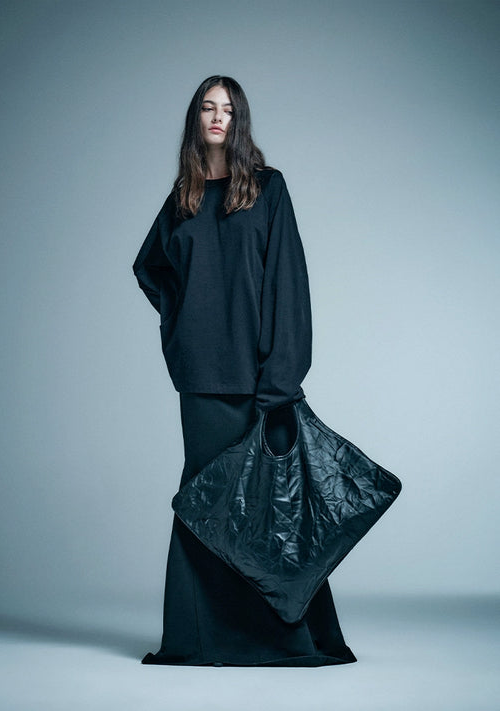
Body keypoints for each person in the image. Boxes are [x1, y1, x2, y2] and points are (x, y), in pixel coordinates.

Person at [132, 75, 357, 667]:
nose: (217, 117)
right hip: (201, 378)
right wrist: (184, 325)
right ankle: (198, 640)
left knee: (270, 511)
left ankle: (287, 639)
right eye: (208, 108)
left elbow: (289, 282)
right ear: (196, 119)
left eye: (227, 109)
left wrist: (281, 375)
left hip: (261, 377)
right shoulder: (182, 197)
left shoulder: (266, 188)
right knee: (205, 507)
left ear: (239, 120)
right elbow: (150, 268)